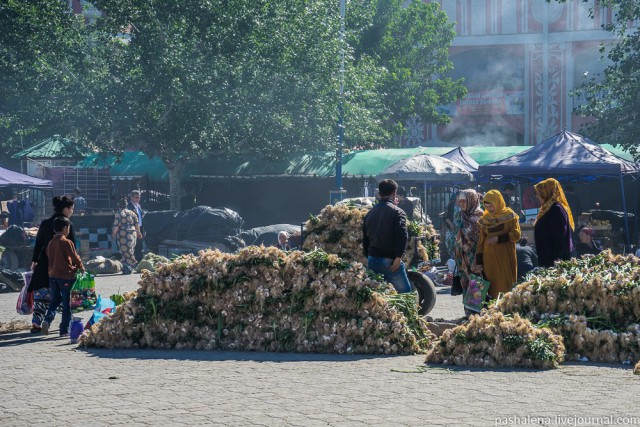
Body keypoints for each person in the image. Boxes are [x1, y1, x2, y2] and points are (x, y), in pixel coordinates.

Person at [29, 196, 76, 334]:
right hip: (61, 266)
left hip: (44, 264)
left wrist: (34, 261)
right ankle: (66, 325)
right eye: (72, 208)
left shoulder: (44, 223)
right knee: (62, 296)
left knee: (41, 294)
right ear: (66, 208)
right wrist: (75, 265)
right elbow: (72, 248)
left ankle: (36, 323)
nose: (72, 211)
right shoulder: (68, 225)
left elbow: (38, 243)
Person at [362, 179, 411, 293]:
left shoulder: (369, 214)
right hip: (390, 261)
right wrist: (398, 257)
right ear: (395, 193)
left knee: (380, 295)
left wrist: (368, 257)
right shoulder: (398, 212)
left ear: (379, 194)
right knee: (406, 294)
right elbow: (402, 236)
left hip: (373, 259)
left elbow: (365, 239)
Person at [41, 216, 84, 336]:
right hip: (65, 277)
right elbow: (75, 257)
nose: (69, 229)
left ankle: (47, 320)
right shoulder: (66, 242)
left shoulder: (51, 243)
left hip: (52, 276)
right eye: (68, 227)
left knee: (55, 300)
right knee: (67, 303)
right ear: (65, 228)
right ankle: (64, 330)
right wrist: (81, 267)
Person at [473, 190, 521, 299]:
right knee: (492, 286)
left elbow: (516, 235)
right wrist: (478, 262)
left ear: (498, 202)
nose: (489, 209)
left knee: (506, 285)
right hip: (489, 260)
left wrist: (499, 239)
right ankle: (494, 311)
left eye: (491, 206)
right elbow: (481, 242)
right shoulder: (485, 220)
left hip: (505, 258)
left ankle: (507, 308)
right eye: (487, 207)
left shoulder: (510, 216)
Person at [534, 178, 574, 267]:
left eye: (539, 193)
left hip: (554, 258)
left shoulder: (556, 209)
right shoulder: (547, 208)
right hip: (547, 255)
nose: (537, 196)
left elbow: (559, 235)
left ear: (547, 193)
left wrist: (557, 258)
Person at [453, 189, 483, 292]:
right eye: (460, 201)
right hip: (462, 259)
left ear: (472, 200)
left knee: (477, 291)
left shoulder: (479, 217)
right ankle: (468, 308)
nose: (461, 204)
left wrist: (477, 261)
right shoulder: (461, 215)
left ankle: (477, 307)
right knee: (466, 290)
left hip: (474, 259)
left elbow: (480, 241)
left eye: (464, 201)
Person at [112, 197, 141, 274]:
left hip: (123, 234)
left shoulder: (119, 213)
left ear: (118, 205)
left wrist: (113, 234)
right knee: (130, 250)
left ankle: (130, 265)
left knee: (125, 252)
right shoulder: (132, 213)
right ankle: (128, 268)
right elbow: (137, 224)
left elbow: (116, 226)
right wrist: (139, 233)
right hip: (133, 234)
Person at [127, 190, 145, 262]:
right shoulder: (129, 207)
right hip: (132, 229)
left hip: (140, 228)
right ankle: (132, 262)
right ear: (131, 197)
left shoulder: (138, 206)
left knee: (139, 246)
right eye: (136, 197)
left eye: (139, 197)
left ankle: (139, 262)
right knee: (133, 246)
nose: (138, 199)